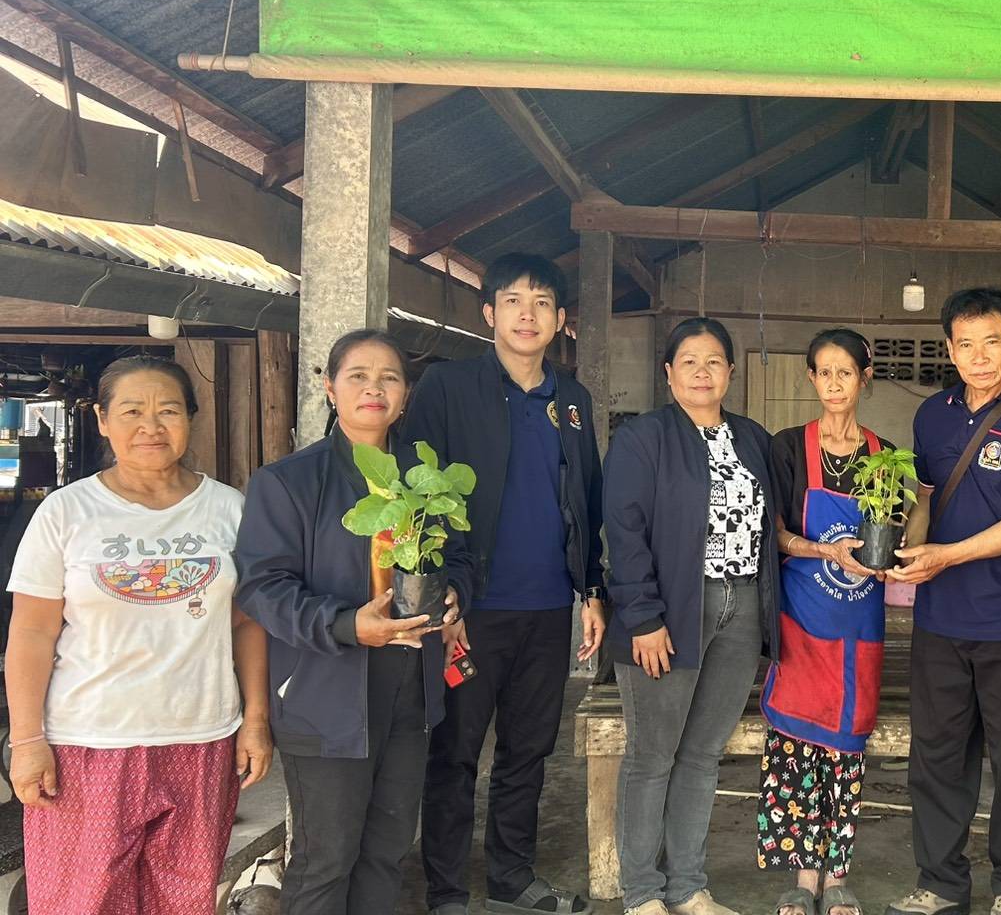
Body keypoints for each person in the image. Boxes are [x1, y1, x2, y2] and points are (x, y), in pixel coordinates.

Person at [5, 356, 271, 915]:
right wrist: (28, 742)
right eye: (132, 411)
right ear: (102, 420)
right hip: (88, 743)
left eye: (168, 410)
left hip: (201, 736)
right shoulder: (66, 512)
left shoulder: (229, 509)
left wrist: (256, 721)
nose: (151, 426)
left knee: (184, 901)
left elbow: (246, 623)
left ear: (190, 419)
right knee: (81, 901)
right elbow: (29, 633)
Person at [236, 329, 472, 915]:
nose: (375, 388)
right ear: (330, 389)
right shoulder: (288, 482)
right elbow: (262, 589)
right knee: (327, 858)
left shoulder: (426, 480)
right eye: (358, 377)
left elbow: (465, 558)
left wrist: (455, 595)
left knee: (387, 850)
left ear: (406, 395)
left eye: (389, 377)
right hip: (328, 688)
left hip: (411, 691)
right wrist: (345, 624)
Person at [410, 253, 608, 915]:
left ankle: (510, 877)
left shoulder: (572, 402)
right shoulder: (448, 387)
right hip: (473, 608)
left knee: (528, 750)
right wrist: (444, 591)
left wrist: (591, 589)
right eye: (515, 300)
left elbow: (587, 498)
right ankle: (444, 890)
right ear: (490, 312)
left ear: (559, 319)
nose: (529, 314)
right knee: (457, 752)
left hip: (548, 607)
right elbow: (421, 494)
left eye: (543, 302)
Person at [884, 287, 1001, 915]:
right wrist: (904, 553)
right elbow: (928, 500)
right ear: (951, 351)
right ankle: (939, 881)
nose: (981, 356)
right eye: (967, 344)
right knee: (937, 753)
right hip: (940, 617)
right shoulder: (932, 415)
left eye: (993, 341)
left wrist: (950, 556)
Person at [605, 317, 782, 915]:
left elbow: (771, 529)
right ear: (668, 373)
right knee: (653, 754)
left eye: (713, 361)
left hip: (741, 607)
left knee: (703, 754)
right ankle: (641, 893)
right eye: (688, 361)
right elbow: (623, 532)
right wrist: (643, 616)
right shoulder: (643, 438)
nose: (702, 371)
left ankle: (687, 886)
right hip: (671, 609)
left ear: (731, 371)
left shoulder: (754, 438)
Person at [760, 328, 894, 915]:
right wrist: (826, 551)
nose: (835, 383)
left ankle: (837, 874)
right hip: (801, 621)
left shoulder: (885, 456)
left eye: (847, 372)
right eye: (824, 372)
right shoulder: (788, 447)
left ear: (865, 377)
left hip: (859, 625)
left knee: (846, 745)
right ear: (811, 379)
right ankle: (805, 875)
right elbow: (777, 533)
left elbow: (897, 534)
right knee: (796, 745)